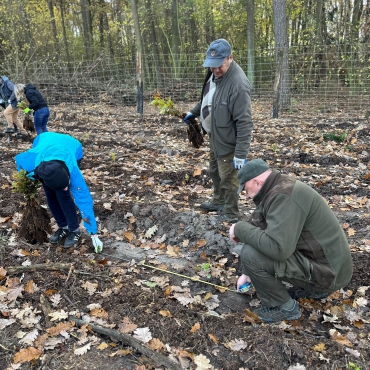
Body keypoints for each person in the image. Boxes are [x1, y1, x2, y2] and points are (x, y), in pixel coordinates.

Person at [229, 159, 353, 323]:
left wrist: (239, 229)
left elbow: (279, 250)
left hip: (330, 274)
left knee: (251, 254)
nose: (246, 196)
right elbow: (258, 226)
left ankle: (285, 309)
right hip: (326, 266)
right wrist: (247, 273)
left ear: (257, 182)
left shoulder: (284, 196)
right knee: (254, 248)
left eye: (245, 189)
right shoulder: (277, 189)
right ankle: (312, 290)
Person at [183, 39, 253, 223]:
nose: (214, 70)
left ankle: (230, 212)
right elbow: (207, 98)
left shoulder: (238, 85)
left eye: (219, 65)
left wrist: (240, 153)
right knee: (214, 171)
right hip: (214, 134)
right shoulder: (214, 73)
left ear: (230, 58)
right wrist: (194, 112)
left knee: (229, 178)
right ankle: (218, 201)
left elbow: (244, 122)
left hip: (228, 140)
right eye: (211, 65)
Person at [15, 132, 103, 252]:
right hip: (43, 140)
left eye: (66, 184)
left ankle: (74, 230)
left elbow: (84, 201)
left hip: (73, 146)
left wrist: (93, 233)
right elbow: (18, 162)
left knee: (63, 194)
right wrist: (31, 179)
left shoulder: (74, 173)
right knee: (50, 194)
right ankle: (63, 226)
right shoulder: (30, 162)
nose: (67, 187)